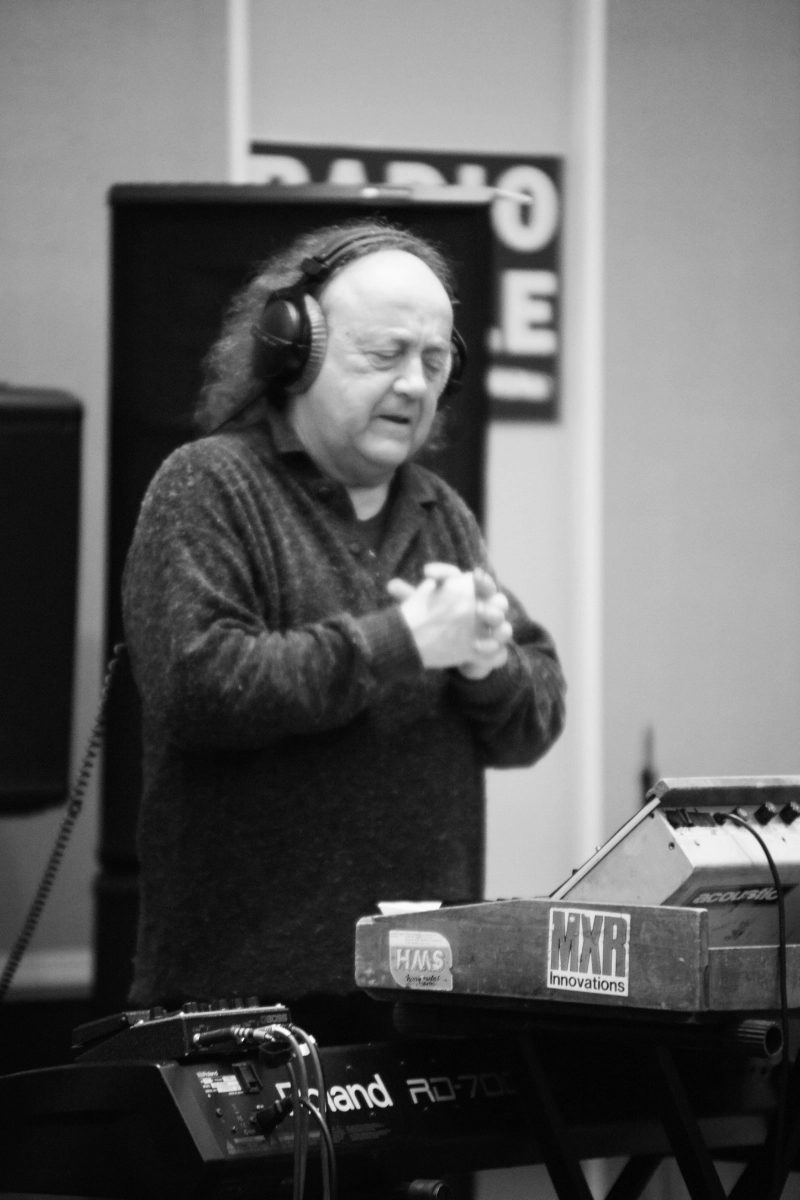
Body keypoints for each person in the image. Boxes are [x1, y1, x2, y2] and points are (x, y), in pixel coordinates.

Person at [122, 220, 566, 1042]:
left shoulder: (438, 510)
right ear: (293, 350)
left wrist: (489, 664)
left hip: (420, 989)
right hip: (246, 998)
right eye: (385, 354)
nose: (414, 384)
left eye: (435, 361)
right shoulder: (207, 485)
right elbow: (201, 686)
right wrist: (403, 641)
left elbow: (532, 718)